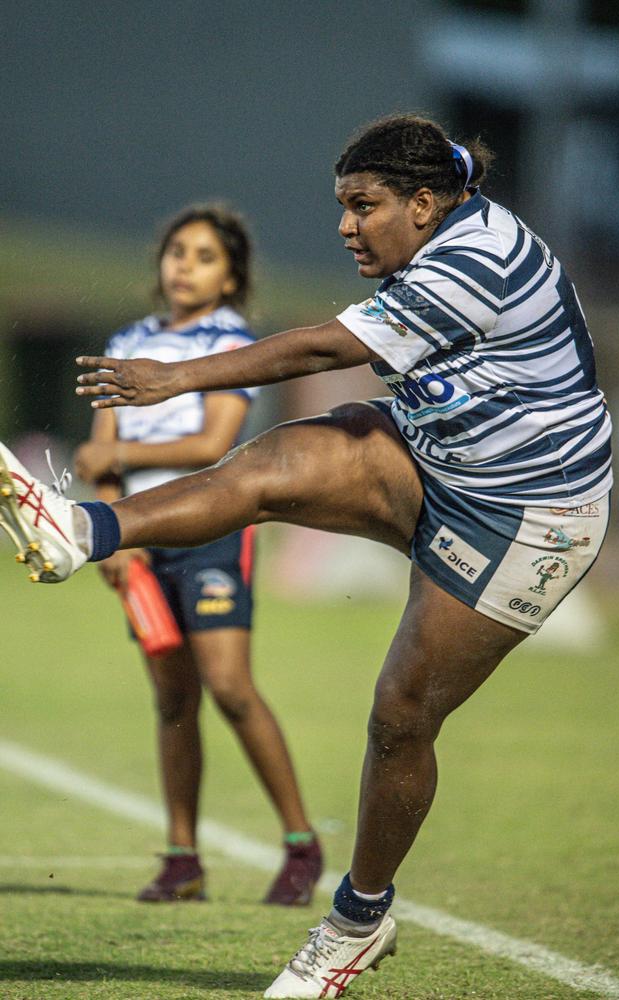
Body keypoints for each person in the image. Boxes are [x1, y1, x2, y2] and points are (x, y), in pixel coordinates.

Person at [0, 115, 612, 998]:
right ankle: (80, 531)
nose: (345, 225)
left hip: (529, 515)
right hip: (442, 458)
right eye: (343, 206)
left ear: (425, 203)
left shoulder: (480, 257)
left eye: (363, 206)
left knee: (401, 713)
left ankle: (358, 922)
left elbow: (330, 345)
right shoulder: (441, 239)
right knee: (275, 463)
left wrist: (177, 376)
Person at [71, 204, 324, 906]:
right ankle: (182, 860)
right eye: (177, 251)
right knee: (172, 698)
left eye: (204, 255)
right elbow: (99, 454)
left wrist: (115, 452)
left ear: (231, 275)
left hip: (213, 531)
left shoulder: (230, 342)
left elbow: (214, 445)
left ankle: (302, 844)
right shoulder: (127, 340)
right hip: (142, 546)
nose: (184, 264)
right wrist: (114, 536)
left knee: (230, 687)